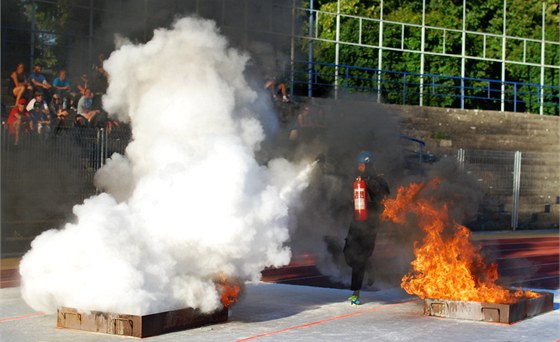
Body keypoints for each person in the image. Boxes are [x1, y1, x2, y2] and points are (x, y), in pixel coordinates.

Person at [343, 150, 390, 305]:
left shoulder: (378, 181)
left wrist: (370, 183)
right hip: (356, 221)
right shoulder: (358, 179)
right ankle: (370, 268)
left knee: (359, 258)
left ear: (368, 164)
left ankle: (356, 293)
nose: (359, 166)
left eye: (361, 164)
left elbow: (385, 199)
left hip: (369, 224)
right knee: (348, 254)